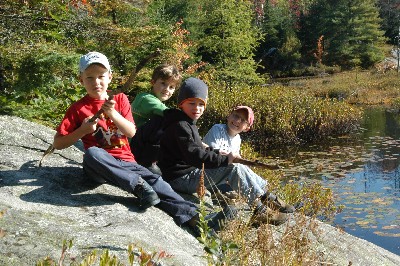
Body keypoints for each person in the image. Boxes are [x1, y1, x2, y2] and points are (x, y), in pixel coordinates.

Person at [52, 52, 234, 234]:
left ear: (110, 77)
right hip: (100, 167)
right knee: (93, 154)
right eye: (89, 78)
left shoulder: (120, 99)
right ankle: (138, 186)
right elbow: (58, 143)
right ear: (81, 79)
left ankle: (197, 220)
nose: (96, 82)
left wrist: (113, 114)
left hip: (127, 162)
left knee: (157, 182)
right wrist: (82, 131)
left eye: (101, 76)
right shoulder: (77, 109)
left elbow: (131, 132)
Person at [158, 77, 295, 226]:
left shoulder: (186, 123)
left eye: (201, 104)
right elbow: (194, 156)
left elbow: (199, 147)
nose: (196, 108)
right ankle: (261, 210)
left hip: (183, 175)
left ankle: (265, 200)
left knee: (235, 166)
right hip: (180, 179)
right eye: (192, 103)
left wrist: (218, 153)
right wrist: (226, 159)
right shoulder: (182, 125)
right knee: (233, 168)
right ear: (181, 103)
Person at [130, 64, 181, 174]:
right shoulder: (146, 98)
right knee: (163, 120)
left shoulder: (149, 98)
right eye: (163, 83)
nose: (167, 89)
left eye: (171, 87)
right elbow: (169, 113)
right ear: (152, 82)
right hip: (132, 145)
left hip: (138, 143)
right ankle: (147, 163)